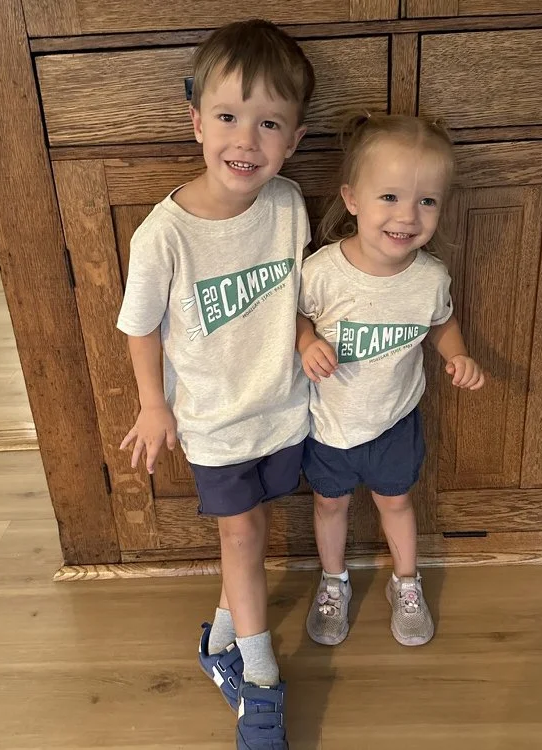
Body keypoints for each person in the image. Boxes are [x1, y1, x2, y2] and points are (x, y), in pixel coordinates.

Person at [117, 20, 315, 750]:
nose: (246, 140)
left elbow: (298, 298)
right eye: (228, 117)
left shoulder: (290, 204)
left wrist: (311, 344)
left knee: (254, 533)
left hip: (284, 413)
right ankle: (259, 681)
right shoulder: (163, 235)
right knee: (242, 534)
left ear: (293, 139)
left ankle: (220, 643)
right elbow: (138, 325)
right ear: (196, 121)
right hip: (214, 423)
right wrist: (152, 403)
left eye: (269, 123)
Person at [296, 114, 485, 649]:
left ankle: (406, 583)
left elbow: (441, 320)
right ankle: (334, 582)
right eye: (390, 198)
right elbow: (296, 316)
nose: (408, 216)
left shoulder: (430, 277)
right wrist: (307, 342)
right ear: (352, 198)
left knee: (397, 504)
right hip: (329, 425)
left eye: (426, 201)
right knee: (329, 505)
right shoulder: (323, 271)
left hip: (396, 422)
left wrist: (458, 353)